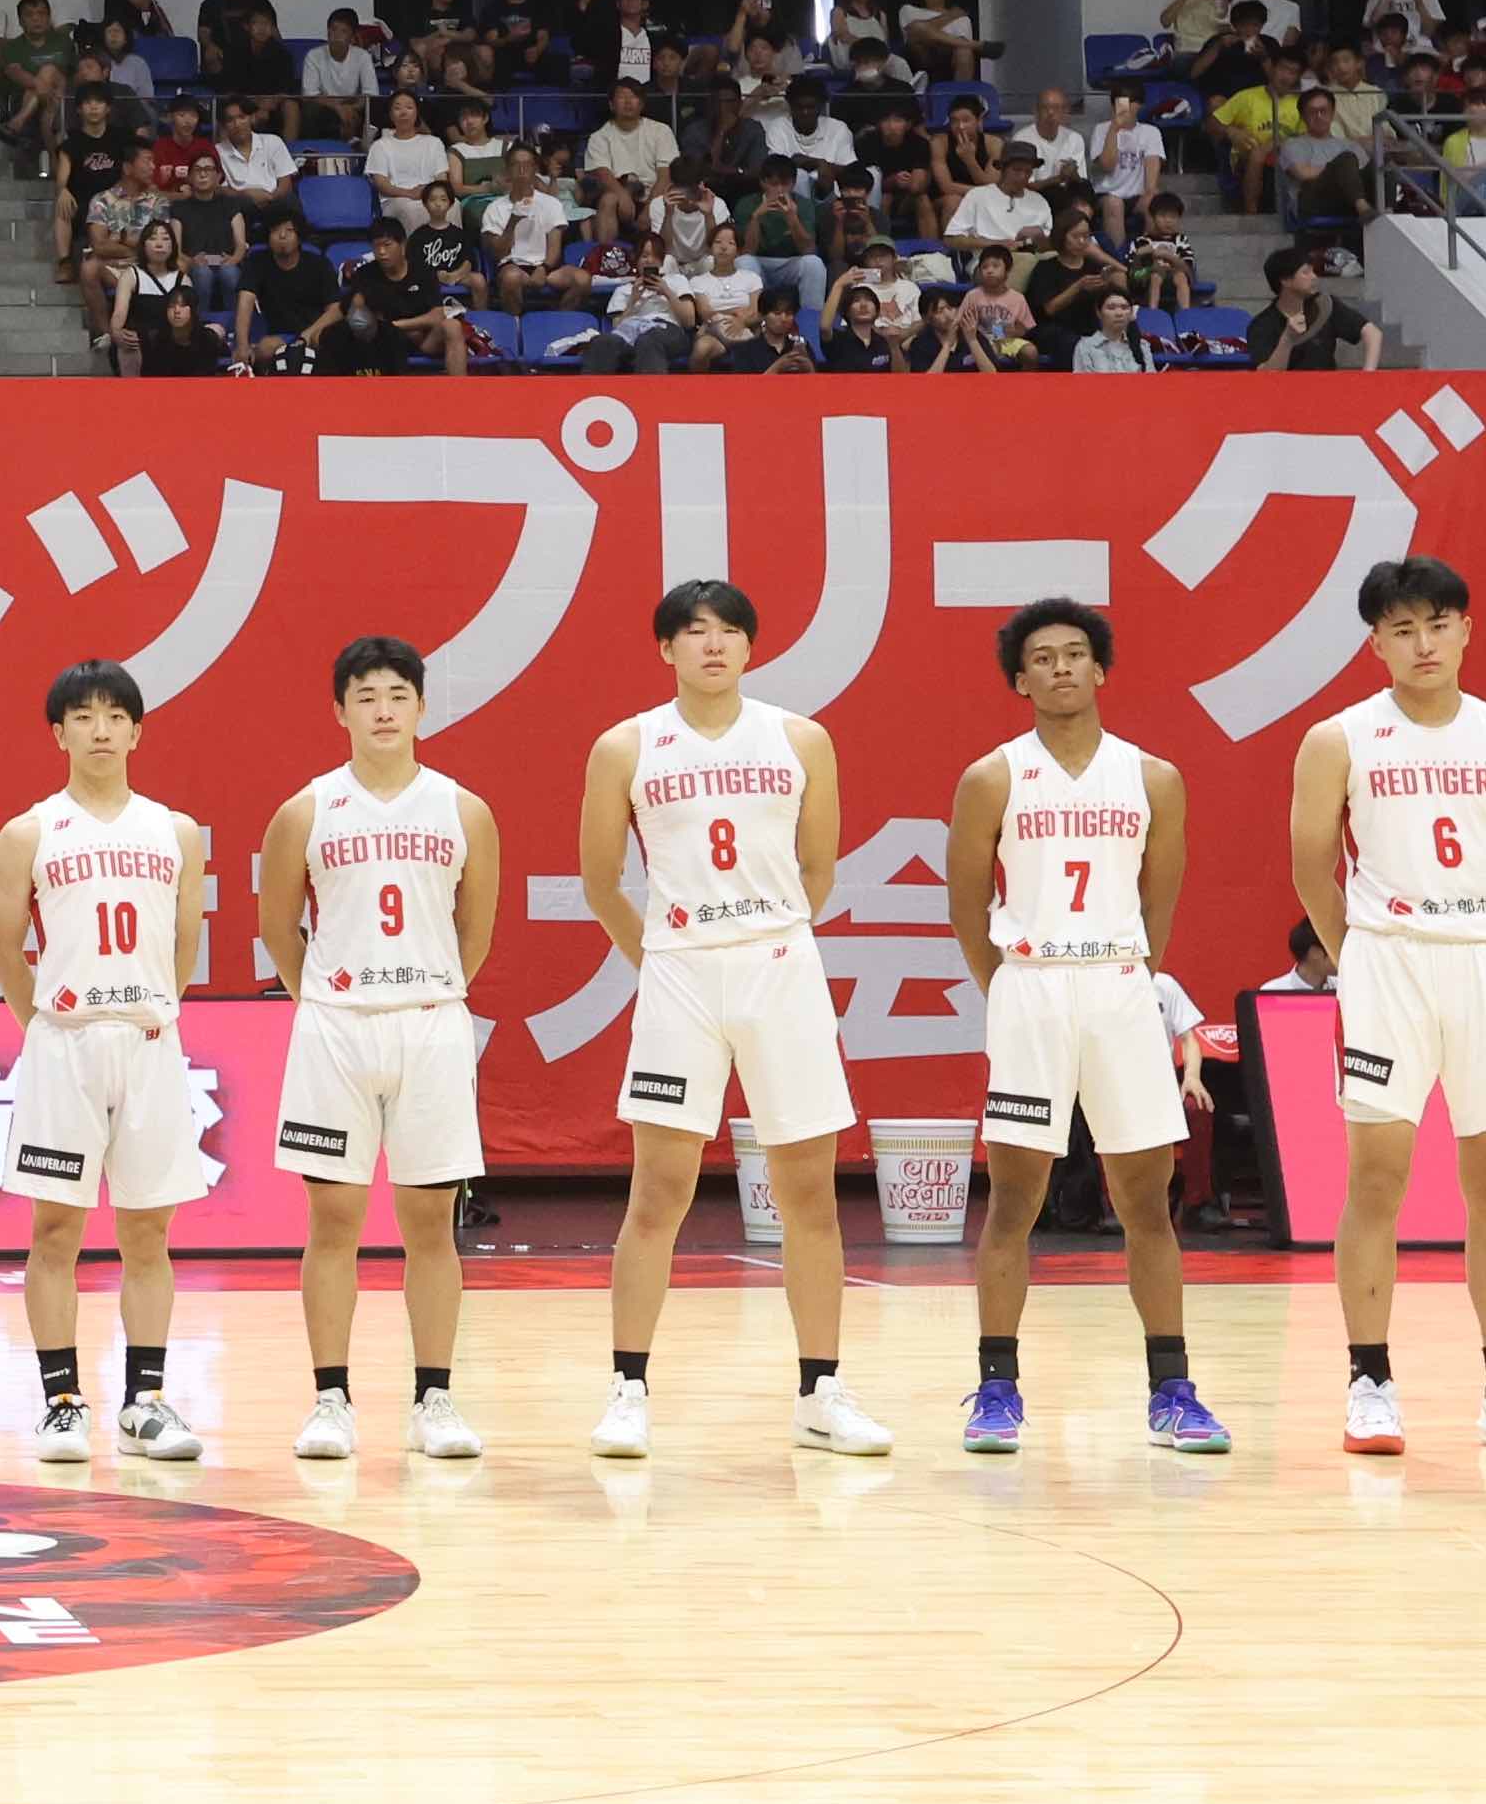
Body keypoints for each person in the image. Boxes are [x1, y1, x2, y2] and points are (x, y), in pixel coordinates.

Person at [576, 578, 878, 1461]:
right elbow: (602, 879)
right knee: (658, 1192)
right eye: (694, 632)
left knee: (809, 1193)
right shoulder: (626, 745)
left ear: (751, 647)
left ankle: (820, 1389)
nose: (713, 645)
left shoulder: (800, 738)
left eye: (730, 632)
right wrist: (663, 958)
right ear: (665, 649)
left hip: (780, 966)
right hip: (680, 974)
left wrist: (760, 938)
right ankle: (628, 1387)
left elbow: (816, 868)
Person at [1294, 553, 1486, 1457]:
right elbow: (1312, 868)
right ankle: (1369, 1381)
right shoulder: (1339, 738)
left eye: (1438, 624)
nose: (1423, 643)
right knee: (1376, 1179)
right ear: (1376, 642)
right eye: (1402, 629)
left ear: (1466, 629)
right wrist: (1361, 956)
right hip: (1388, 964)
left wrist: (1479, 929)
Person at [947, 600, 1214, 1458]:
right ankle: (996, 1387)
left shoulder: (1153, 778)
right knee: (1015, 1202)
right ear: (1018, 681)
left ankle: (1173, 1389)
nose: (1060, 668)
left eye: (1075, 655)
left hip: (1117, 985)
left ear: (1100, 670)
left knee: (1146, 1202)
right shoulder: (992, 776)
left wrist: (1121, 974)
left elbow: (1158, 905)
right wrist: (1015, 986)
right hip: (1030, 986)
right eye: (1041, 658)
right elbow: (964, 907)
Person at [260, 635, 501, 1465]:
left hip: (430, 1018)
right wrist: (326, 994)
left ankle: (434, 1395)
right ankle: (331, 1398)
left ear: (423, 706)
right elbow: (277, 927)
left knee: (431, 1218)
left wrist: (427, 987)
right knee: (333, 1219)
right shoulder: (307, 810)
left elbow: (477, 930)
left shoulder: (463, 809)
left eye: (398, 694)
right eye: (365, 696)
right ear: (340, 711)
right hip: (336, 1024)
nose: (383, 709)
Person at [0, 660, 211, 1464]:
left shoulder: (175, 830)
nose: (102, 730)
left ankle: (145, 1400)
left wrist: (148, 1007)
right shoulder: (31, 832)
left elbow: (185, 945)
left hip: (148, 1041)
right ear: (59, 733)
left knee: (148, 1234)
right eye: (84, 716)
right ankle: (61, 1402)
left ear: (138, 729)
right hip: (66, 1043)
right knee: (56, 1231)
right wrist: (46, 1025)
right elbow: (4, 948)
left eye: (117, 716)